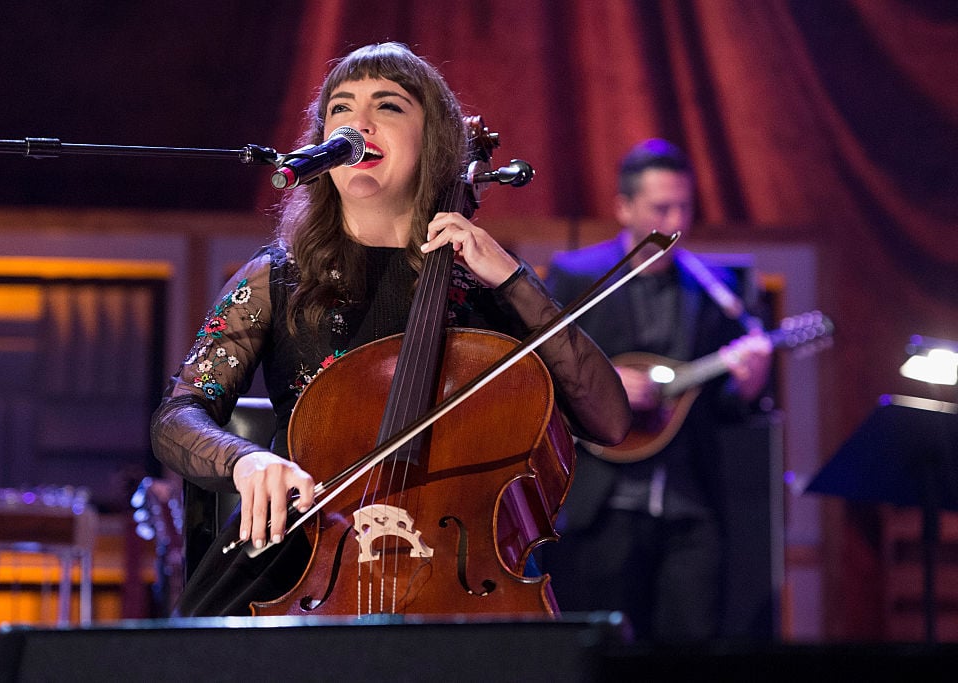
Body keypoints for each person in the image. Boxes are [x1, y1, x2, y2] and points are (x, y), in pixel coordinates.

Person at [149, 42, 630, 617]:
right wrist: (245, 461)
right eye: (341, 109)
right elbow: (177, 417)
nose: (358, 124)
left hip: (455, 571)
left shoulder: (483, 283)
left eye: (388, 106)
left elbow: (609, 420)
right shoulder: (277, 277)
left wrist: (513, 280)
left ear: (434, 141)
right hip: (302, 555)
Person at [539, 138, 772, 641]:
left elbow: (724, 407)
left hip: (689, 503)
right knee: (603, 652)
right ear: (624, 208)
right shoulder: (578, 276)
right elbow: (539, 375)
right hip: (602, 504)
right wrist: (602, 384)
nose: (676, 220)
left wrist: (748, 386)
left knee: (690, 651)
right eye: (661, 208)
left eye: (684, 207)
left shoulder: (715, 287)